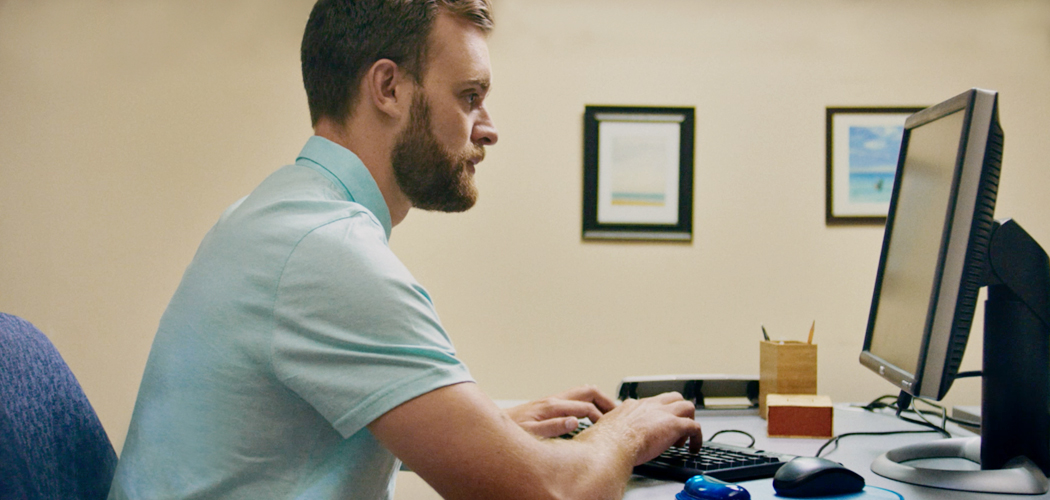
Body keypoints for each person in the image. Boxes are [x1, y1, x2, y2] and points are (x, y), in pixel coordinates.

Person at [107, 1, 703, 499]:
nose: (488, 127)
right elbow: (545, 493)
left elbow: (280, 436)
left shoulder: (272, 214)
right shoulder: (328, 253)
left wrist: (486, 426)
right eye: (470, 96)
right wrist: (626, 432)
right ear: (388, 88)